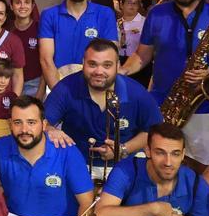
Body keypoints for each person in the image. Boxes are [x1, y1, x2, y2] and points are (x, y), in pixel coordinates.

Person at [121, 0, 209, 167]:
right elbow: (142, 55)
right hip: (164, 104)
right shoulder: (157, 13)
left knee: (208, 171)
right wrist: (120, 72)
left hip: (208, 108)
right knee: (160, 168)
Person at [46, 40, 163, 180]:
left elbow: (154, 131)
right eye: (92, 64)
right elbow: (41, 122)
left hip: (125, 167)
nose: (99, 71)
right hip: (76, 165)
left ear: (117, 65)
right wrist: (50, 129)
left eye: (107, 65)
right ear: (83, 63)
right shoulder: (66, 88)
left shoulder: (136, 92)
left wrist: (122, 149)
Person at [38, 0, 118, 90]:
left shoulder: (105, 14)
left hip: (95, 88)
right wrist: (61, 96)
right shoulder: (49, 15)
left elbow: (111, 56)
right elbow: (46, 60)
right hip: (57, 86)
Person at [10, 0, 43, 97]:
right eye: (18, 2)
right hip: (9, 84)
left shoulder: (41, 28)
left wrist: (40, 93)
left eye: (27, 2)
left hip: (34, 85)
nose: (22, 6)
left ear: (33, 6)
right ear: (11, 6)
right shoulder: (6, 29)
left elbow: (47, 62)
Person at [117, 0, 150, 88]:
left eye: (135, 3)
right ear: (121, 5)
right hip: (121, 61)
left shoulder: (144, 22)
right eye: (129, 2)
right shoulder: (117, 23)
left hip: (139, 63)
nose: (132, 5)